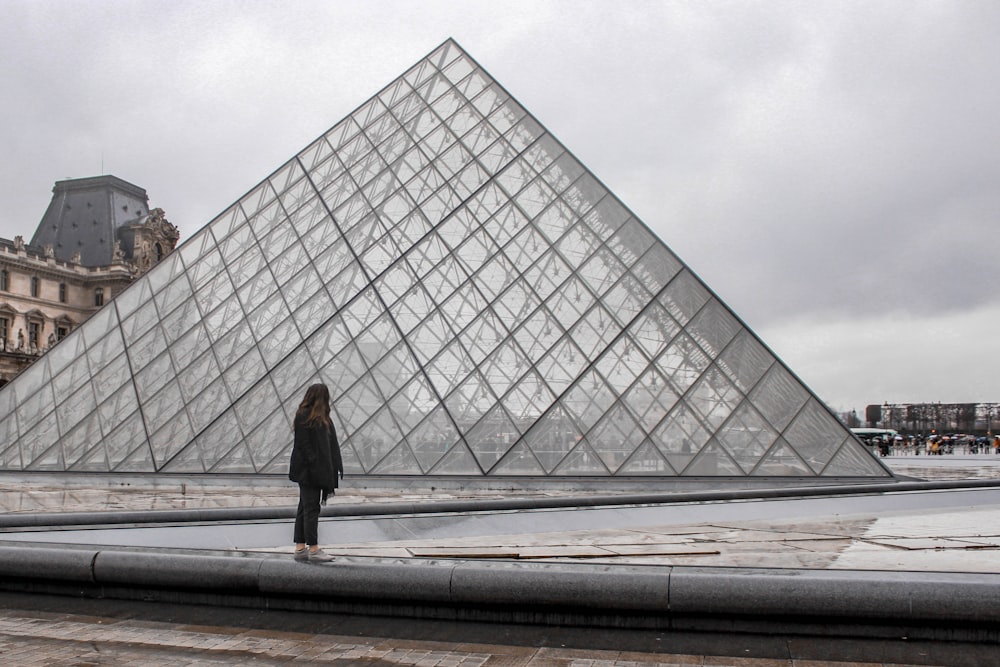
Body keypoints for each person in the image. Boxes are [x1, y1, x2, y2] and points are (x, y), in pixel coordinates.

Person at [288, 383, 343, 562]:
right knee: (311, 509)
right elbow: (303, 444)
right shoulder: (305, 416)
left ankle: (300, 547)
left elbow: (330, 446)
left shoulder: (322, 418)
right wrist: (315, 463)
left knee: (304, 508)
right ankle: (313, 549)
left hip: (316, 470)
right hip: (309, 472)